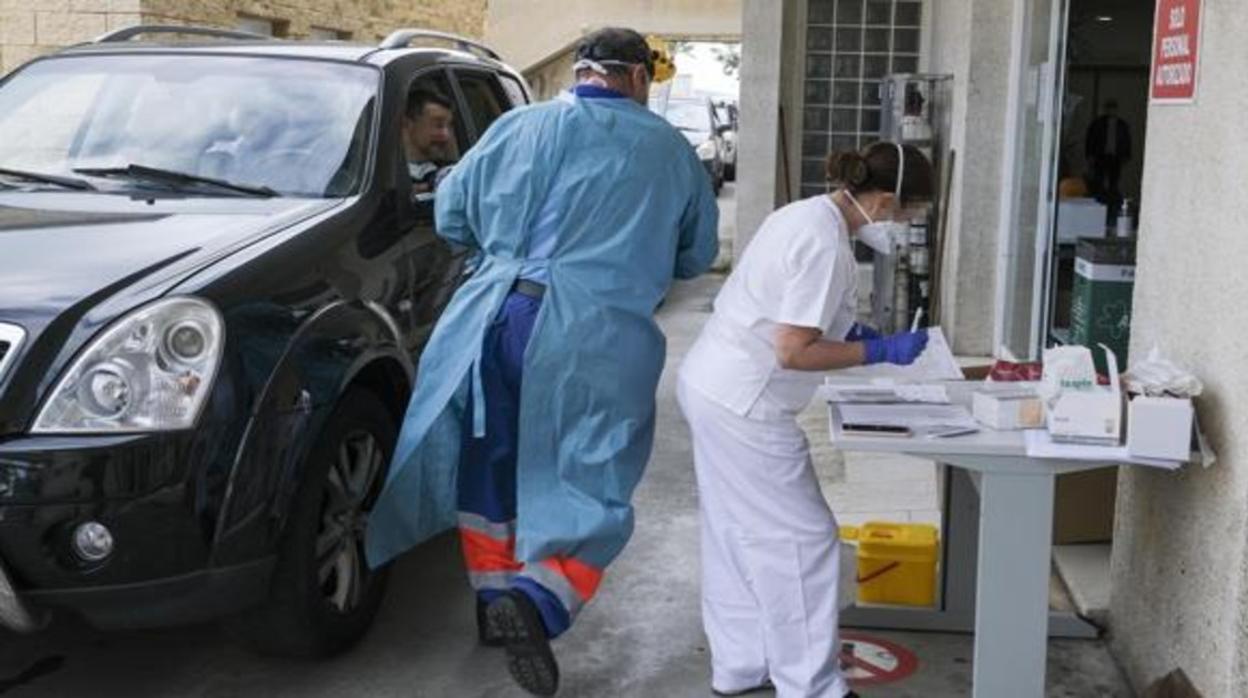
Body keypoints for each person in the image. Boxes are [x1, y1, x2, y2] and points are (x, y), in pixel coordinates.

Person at [366, 27, 717, 697]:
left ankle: (493, 593)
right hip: (595, 331)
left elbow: (453, 215)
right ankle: (539, 597)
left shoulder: (515, 127)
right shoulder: (670, 151)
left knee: (491, 454)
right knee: (593, 470)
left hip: (495, 317)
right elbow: (695, 256)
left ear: (580, 73)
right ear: (639, 79)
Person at [677, 142, 935, 698]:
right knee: (805, 539)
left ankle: (743, 667)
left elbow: (787, 313)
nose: (903, 227)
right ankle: (813, 688)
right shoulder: (824, 243)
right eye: (907, 215)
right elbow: (792, 350)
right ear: (884, 200)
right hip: (746, 402)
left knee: (736, 533)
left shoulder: (803, 214)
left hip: (713, 383)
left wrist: (853, 335)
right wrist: (877, 352)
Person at [402, 88, 456, 199]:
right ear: (408, 124)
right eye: (438, 125)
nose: (446, 135)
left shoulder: (454, 173)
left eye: (449, 126)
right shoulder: (376, 177)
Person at [1084, 99, 1131, 203]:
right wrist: (1090, 155)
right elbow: (1090, 139)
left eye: (1113, 109)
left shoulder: (1121, 124)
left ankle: (1112, 203)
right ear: (1106, 110)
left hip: (1115, 157)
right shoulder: (1098, 123)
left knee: (1114, 181)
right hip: (1100, 155)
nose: (1112, 111)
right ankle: (1099, 202)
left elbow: (1126, 140)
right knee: (1099, 180)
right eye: (1109, 109)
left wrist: (1126, 155)